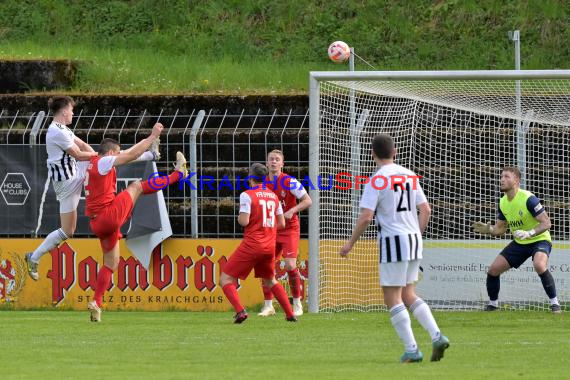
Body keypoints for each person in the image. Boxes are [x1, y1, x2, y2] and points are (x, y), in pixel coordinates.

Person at [339, 134, 449, 363]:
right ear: (395, 151)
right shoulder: (410, 175)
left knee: (392, 296)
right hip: (413, 238)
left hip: (393, 240)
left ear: (372, 154)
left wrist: (350, 243)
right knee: (408, 293)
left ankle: (412, 349)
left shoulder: (376, 180)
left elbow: (366, 217)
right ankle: (437, 335)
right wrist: (416, 234)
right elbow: (426, 209)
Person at [85, 125, 186, 322]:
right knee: (137, 186)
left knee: (110, 264)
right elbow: (130, 155)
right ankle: (177, 176)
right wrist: (153, 136)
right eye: (117, 152)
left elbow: (131, 153)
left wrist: (150, 153)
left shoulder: (94, 162)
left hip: (97, 223)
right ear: (111, 152)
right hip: (107, 216)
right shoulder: (104, 161)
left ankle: (97, 302)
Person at [25, 96, 98, 280]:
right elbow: (80, 155)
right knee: (67, 231)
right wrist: (97, 156)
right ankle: (34, 257)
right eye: (71, 110)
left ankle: (148, 154)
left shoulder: (62, 129)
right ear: (64, 111)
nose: (73, 113)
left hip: (73, 173)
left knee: (108, 159)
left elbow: (82, 145)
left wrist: (97, 157)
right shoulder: (56, 132)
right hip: (67, 182)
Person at [472, 167, 561, 313]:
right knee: (493, 270)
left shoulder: (528, 198)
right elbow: (500, 229)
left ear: (517, 181)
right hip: (520, 243)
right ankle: (493, 305)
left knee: (539, 264)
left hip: (539, 239)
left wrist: (530, 233)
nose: (502, 179)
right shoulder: (502, 202)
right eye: (501, 176)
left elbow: (547, 223)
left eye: (506, 176)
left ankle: (555, 304)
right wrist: (489, 230)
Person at [220, 163, 297, 323]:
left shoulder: (247, 195)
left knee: (226, 279)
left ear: (250, 177)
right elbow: (282, 224)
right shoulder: (273, 196)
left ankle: (240, 311)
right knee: (270, 280)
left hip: (252, 244)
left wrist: (242, 218)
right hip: (269, 246)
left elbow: (244, 221)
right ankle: (290, 314)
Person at [258, 149, 312, 317]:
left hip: (289, 229)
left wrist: (292, 211)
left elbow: (308, 200)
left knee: (289, 265)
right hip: (271, 229)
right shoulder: (262, 183)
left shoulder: (289, 181)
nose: (273, 162)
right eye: (271, 159)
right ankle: (268, 306)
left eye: (277, 159)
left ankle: (297, 303)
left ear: (282, 163)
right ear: (267, 163)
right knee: (265, 266)